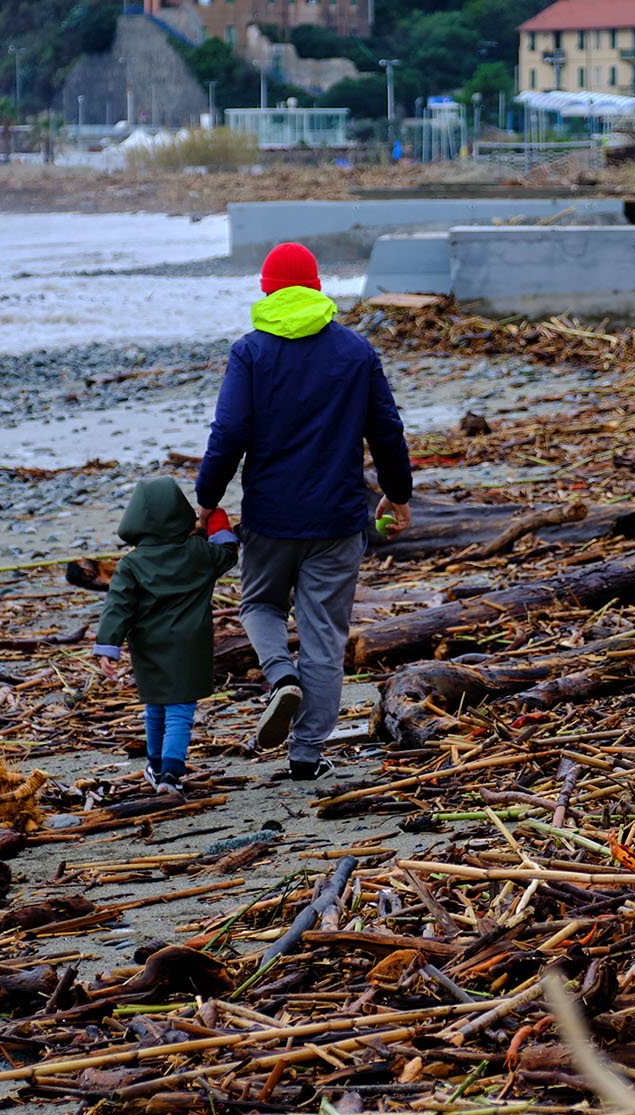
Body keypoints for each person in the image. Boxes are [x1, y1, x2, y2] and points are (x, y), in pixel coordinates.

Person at [195, 241, 414, 780]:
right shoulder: (355, 351)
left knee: (259, 606)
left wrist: (207, 497)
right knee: (323, 635)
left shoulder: (250, 352)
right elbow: (386, 429)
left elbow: (229, 432)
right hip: (338, 519)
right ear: (317, 287)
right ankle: (307, 754)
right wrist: (398, 493)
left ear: (266, 289)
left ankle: (281, 677)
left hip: (270, 517)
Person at [92, 477, 240, 795]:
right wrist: (215, 516)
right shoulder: (198, 553)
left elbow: (118, 606)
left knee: (156, 705)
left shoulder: (131, 564)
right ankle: (170, 775)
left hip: (149, 647)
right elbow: (228, 552)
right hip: (190, 646)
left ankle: (157, 766)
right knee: (179, 710)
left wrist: (108, 646)